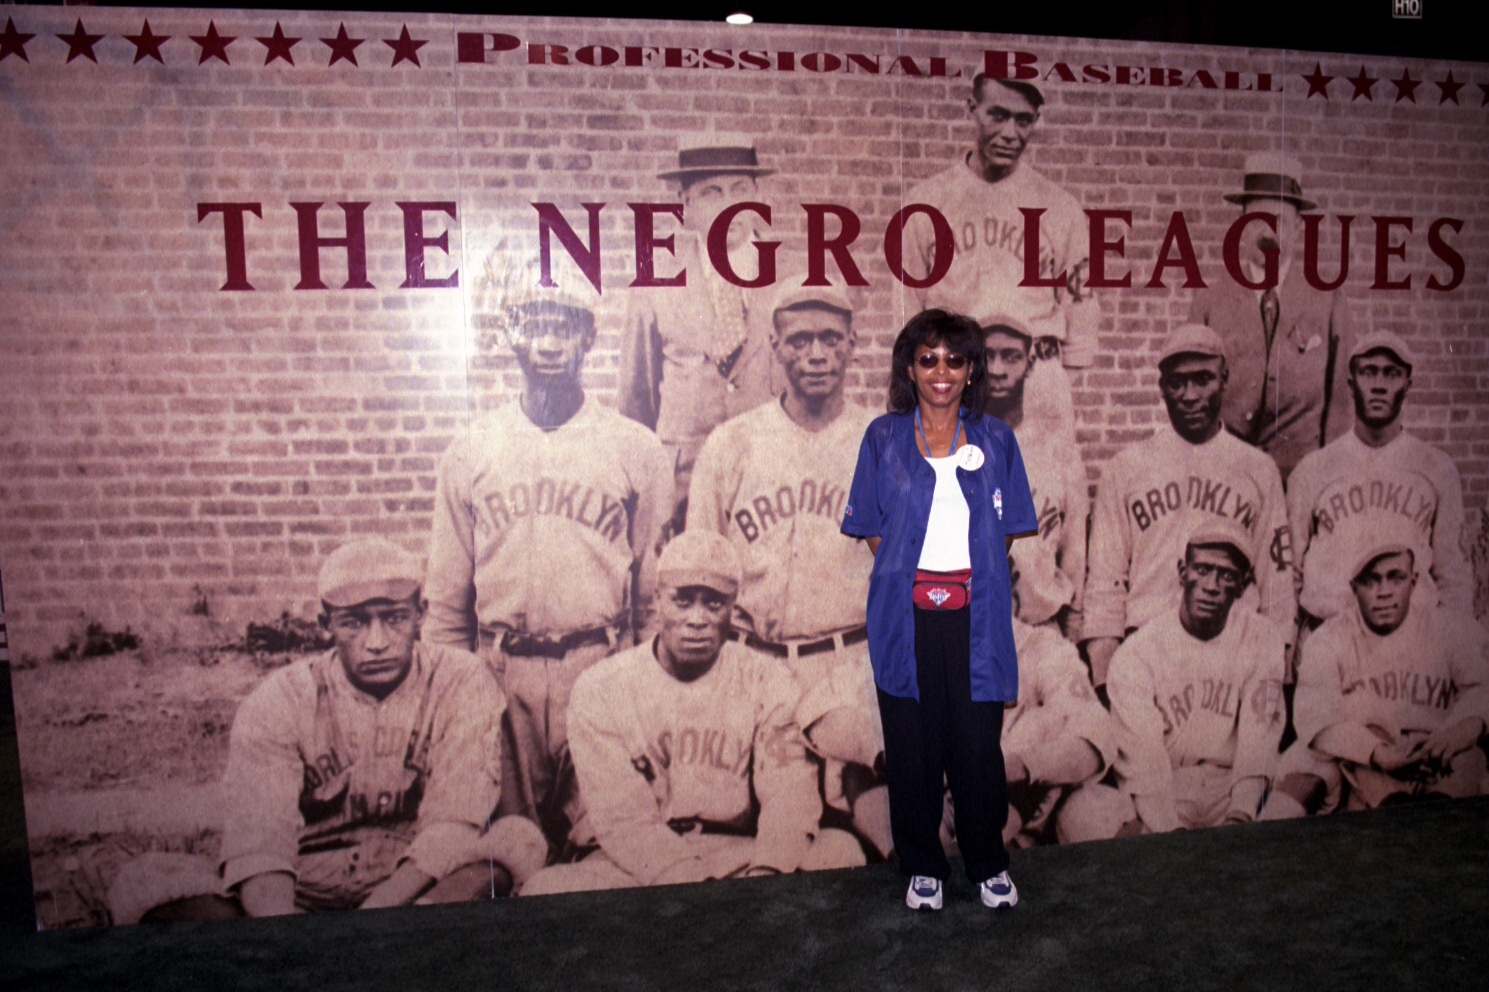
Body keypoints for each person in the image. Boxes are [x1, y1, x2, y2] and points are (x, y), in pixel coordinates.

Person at [424, 256, 674, 854]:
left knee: (609, 840)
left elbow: (652, 595)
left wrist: (644, 686)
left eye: (565, 327)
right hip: (500, 669)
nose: (549, 343)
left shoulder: (634, 447)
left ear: (588, 336)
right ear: (510, 334)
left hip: (597, 661)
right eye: (534, 325)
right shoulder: (471, 449)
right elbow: (446, 604)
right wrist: (448, 699)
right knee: (508, 845)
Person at [214, 539, 545, 915]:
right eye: (354, 622)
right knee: (158, 880)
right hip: (307, 888)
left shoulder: (460, 681)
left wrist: (371, 924)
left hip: (420, 887)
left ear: (421, 614)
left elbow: (452, 824)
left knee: (518, 840)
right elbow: (260, 842)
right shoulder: (282, 698)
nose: (376, 642)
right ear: (326, 625)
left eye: (394, 618)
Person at [520, 531, 862, 895]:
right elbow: (624, 821)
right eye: (683, 601)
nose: (697, 619)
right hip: (635, 861)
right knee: (545, 889)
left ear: (734, 606)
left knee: (840, 851)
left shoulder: (767, 679)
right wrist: (696, 890)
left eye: (713, 603)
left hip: (735, 854)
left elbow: (789, 795)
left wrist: (766, 874)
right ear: (657, 601)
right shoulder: (601, 687)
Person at [841, 309, 1038, 911]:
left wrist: (963, 575)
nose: (942, 372)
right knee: (912, 746)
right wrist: (912, 571)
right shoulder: (882, 436)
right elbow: (874, 527)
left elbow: (1006, 532)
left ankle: (986, 865)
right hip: (906, 619)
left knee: (977, 747)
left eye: (955, 359)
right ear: (910, 367)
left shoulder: (997, 439)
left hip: (974, 619)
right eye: (929, 359)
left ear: (972, 369)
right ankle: (922, 865)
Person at [687, 277, 886, 857]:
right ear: (774, 347)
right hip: (755, 665)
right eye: (799, 341)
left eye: (830, 339)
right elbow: (699, 572)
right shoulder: (732, 445)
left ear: (852, 345)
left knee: (865, 837)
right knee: (760, 833)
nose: (816, 354)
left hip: (851, 665)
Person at [1083, 324, 1293, 687]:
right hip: (1148, 651)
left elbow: (1278, 586)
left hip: (1234, 655)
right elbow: (1105, 585)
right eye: (1178, 382)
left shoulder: (1258, 469)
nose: (1190, 395)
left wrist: (1277, 673)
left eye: (1203, 380)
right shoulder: (1126, 468)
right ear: (1162, 387)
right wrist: (1107, 680)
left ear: (1224, 379)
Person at [902, 76, 1096, 444]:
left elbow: (1080, 309)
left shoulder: (1061, 208)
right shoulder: (926, 201)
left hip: (1034, 375)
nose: (1010, 133)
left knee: (1041, 494)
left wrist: (1050, 382)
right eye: (998, 115)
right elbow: (908, 309)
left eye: (1023, 120)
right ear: (973, 109)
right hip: (954, 376)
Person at [619, 140, 782, 526]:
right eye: (712, 193)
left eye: (740, 190)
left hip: (769, 483)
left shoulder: (791, 277)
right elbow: (635, 405)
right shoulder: (655, 283)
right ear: (685, 205)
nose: (730, 204)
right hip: (682, 494)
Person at [1106, 524, 1289, 833]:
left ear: (1242, 586)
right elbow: (1144, 763)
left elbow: (1258, 740)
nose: (1211, 585)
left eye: (1226, 575)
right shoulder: (1138, 652)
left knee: (1306, 767)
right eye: (1202, 570)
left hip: (1233, 785)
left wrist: (1241, 816)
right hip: (1168, 791)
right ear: (1182, 573)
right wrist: (1170, 832)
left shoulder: (1261, 638)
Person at [1290, 533, 1489, 811]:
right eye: (1371, 580)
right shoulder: (1329, 638)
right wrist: (1377, 753)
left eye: (1395, 577)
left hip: (1439, 756)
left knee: (1472, 759)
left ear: (1414, 581)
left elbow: (1483, 685)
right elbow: (1313, 714)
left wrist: (1464, 727)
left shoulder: (1447, 627)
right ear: (1354, 587)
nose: (1384, 592)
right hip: (1373, 765)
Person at [1188, 154, 1356, 482]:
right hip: (1228, 480)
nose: (1267, 231)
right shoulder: (1210, 302)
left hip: (1303, 480)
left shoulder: (1328, 301)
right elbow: (1191, 398)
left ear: (1297, 227)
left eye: (1279, 219)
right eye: (1256, 219)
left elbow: (1342, 404)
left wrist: (1332, 480)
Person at [1288, 330, 1472, 625]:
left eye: (1391, 374)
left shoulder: (1436, 468)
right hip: (1330, 631)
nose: (1379, 385)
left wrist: (1452, 652)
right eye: (1369, 372)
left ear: (1407, 385)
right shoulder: (1312, 470)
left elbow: (1454, 577)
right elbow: (1289, 574)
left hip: (1412, 637)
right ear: (1351, 383)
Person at [979, 310, 1089, 641]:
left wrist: (1069, 637)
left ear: (1029, 364)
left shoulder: (1059, 453)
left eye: (1011, 357)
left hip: (1042, 630)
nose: (997, 370)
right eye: (987, 357)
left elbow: (1074, 557)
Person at [1001, 615, 1123, 846]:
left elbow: (1096, 736)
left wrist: (1022, 765)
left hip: (1033, 808)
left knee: (1096, 813)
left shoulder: (1040, 645)